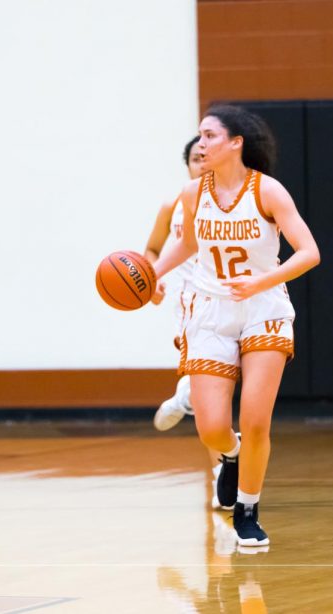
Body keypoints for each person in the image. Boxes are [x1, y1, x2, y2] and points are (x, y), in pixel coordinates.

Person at [152, 104, 320, 547]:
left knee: (256, 418)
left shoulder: (268, 191)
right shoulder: (193, 194)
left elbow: (309, 252)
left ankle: (247, 509)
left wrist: (261, 280)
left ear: (235, 142)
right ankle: (230, 452)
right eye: (200, 137)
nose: (201, 144)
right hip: (209, 310)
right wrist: (151, 275)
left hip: (263, 306)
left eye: (209, 136)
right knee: (211, 427)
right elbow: (187, 243)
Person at [146, 136, 203, 432]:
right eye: (196, 159)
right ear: (187, 166)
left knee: (216, 384)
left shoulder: (238, 201)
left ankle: (186, 397)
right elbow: (153, 249)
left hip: (233, 296)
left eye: (207, 157)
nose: (203, 164)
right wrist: (151, 279)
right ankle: (221, 467)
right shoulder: (173, 205)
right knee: (211, 388)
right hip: (189, 302)